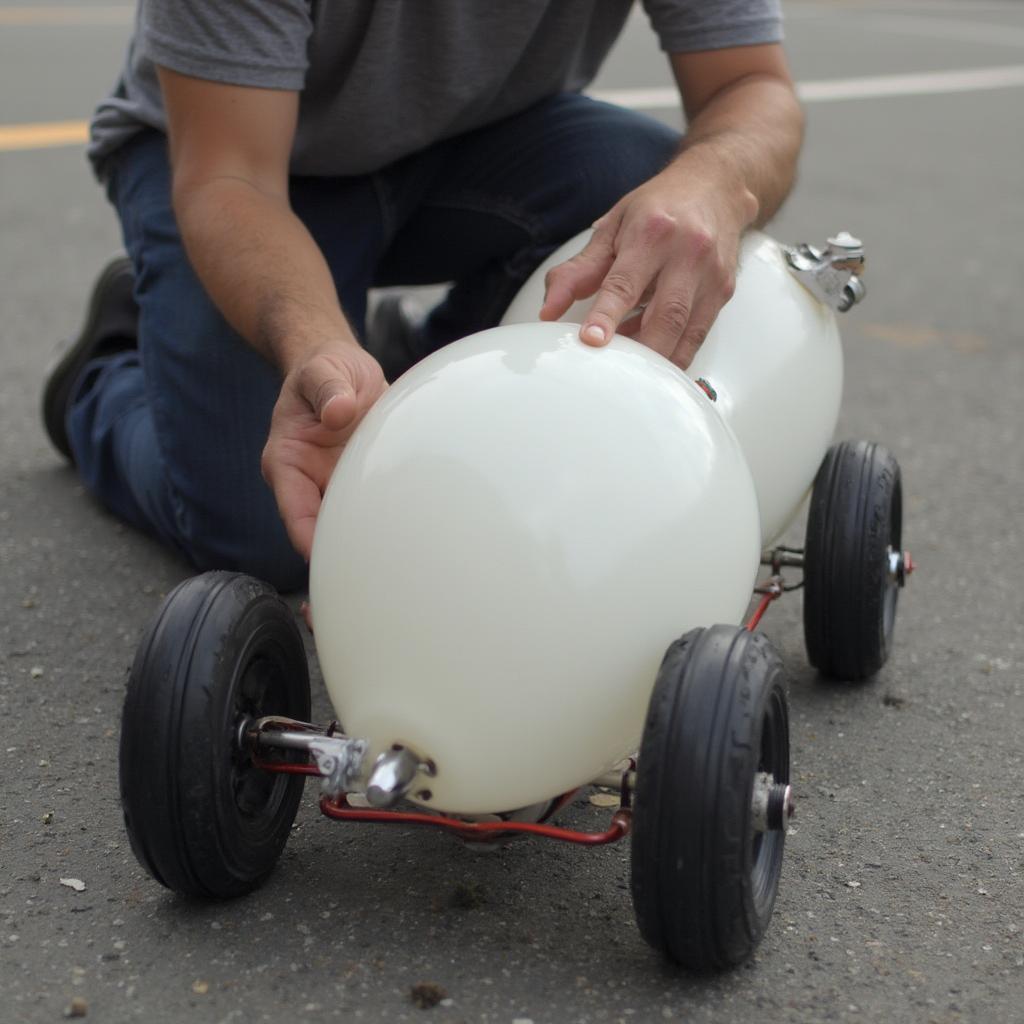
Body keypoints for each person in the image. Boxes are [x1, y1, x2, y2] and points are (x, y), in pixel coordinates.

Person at [43, 0, 803, 593]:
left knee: (638, 175)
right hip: (243, 166)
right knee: (270, 530)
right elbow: (229, 178)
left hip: (464, 142)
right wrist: (316, 344)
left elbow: (752, 86)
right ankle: (105, 377)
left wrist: (711, 183)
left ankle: (417, 358)